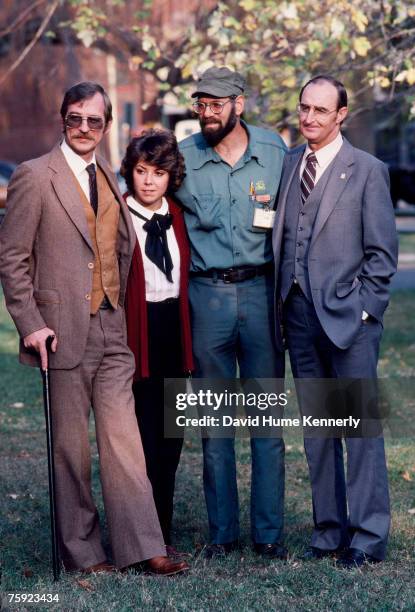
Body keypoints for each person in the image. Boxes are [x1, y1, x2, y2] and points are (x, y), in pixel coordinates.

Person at [0, 82, 189, 576]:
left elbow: (122, 251)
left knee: (125, 443)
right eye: (75, 118)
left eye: (94, 120)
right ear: (62, 119)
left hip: (112, 329)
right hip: (60, 333)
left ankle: (143, 545)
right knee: (72, 449)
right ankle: (83, 553)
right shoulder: (34, 175)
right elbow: (13, 259)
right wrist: (31, 324)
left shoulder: (108, 173)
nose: (85, 128)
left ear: (106, 126)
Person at [272, 75, 398, 568]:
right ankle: (329, 531)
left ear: (341, 115)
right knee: (319, 431)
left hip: (350, 322)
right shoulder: (288, 166)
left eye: (320, 111)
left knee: (359, 431)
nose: (309, 118)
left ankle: (367, 537)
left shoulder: (367, 170)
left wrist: (365, 310)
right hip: (298, 317)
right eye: (304, 108)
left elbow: (382, 256)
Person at [176, 67, 287, 559]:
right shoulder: (183, 156)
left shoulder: (276, 151)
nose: (207, 112)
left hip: (262, 296)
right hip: (208, 298)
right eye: (201, 102)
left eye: (217, 103)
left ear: (239, 104)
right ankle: (222, 534)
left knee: (267, 424)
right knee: (214, 423)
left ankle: (267, 535)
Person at [120, 129, 193, 555]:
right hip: (134, 335)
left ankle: (161, 532)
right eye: (141, 171)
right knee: (139, 443)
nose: (149, 181)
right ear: (130, 172)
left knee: (170, 439)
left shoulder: (178, 217)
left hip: (173, 335)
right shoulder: (116, 216)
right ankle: (139, 538)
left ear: (171, 177)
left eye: (159, 173)